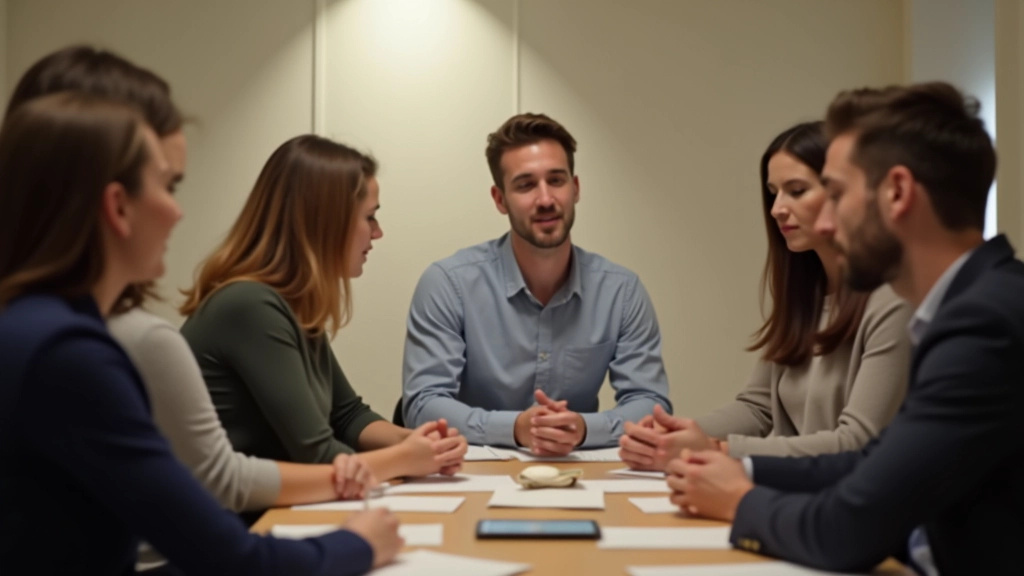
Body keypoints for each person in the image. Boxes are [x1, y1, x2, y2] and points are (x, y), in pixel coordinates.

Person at [0, 92, 401, 575]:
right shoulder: (71, 354)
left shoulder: (41, 329)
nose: (178, 212)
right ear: (117, 206)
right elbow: (228, 557)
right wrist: (357, 545)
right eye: (169, 187)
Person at [666, 82, 1022, 575]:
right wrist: (739, 467)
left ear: (897, 193)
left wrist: (740, 502)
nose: (827, 224)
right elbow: (875, 463)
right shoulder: (974, 302)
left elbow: (847, 529)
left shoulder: (985, 323)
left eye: (835, 194)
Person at [618, 122, 911, 470]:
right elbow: (757, 407)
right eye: (774, 192)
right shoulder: (806, 297)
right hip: (793, 498)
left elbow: (855, 442)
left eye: (796, 190)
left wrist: (717, 450)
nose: (776, 209)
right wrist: (677, 433)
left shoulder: (893, 302)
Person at [179, 135, 468, 479]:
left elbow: (346, 416)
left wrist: (416, 442)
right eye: (370, 217)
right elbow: (317, 455)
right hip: (243, 521)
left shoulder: (291, 302)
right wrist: (407, 458)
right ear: (326, 223)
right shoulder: (250, 306)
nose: (377, 233)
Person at [402, 113, 671, 455]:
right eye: (526, 185)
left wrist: (584, 428)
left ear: (575, 188)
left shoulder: (622, 291)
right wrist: (515, 428)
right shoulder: (447, 284)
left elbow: (651, 404)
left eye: (556, 181)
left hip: (580, 474)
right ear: (500, 199)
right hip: (470, 473)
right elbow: (423, 405)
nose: (545, 199)